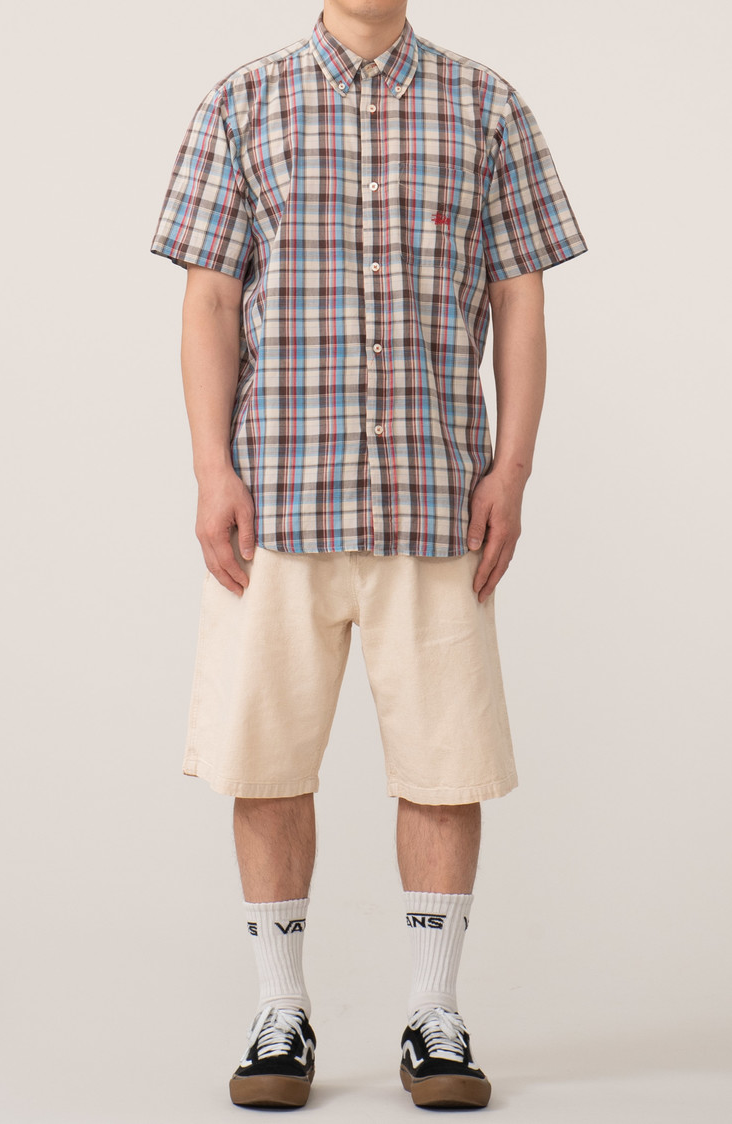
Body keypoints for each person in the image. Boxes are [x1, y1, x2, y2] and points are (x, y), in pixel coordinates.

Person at [149, 0, 587, 1110]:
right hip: (276, 501)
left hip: (437, 501)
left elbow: (520, 300)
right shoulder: (243, 103)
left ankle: (436, 1016)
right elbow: (209, 298)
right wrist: (210, 468)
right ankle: (280, 1012)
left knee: (446, 764)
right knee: (265, 759)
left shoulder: (487, 106)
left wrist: (513, 469)